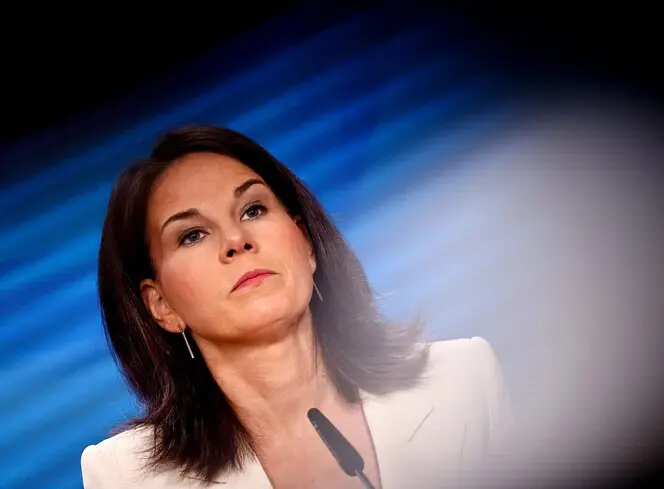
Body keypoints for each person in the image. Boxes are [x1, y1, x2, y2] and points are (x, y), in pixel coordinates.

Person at [81, 125, 512, 489]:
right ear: (161, 306)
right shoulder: (125, 476)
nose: (237, 241)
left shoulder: (463, 382)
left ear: (305, 243)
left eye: (253, 209)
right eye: (192, 235)